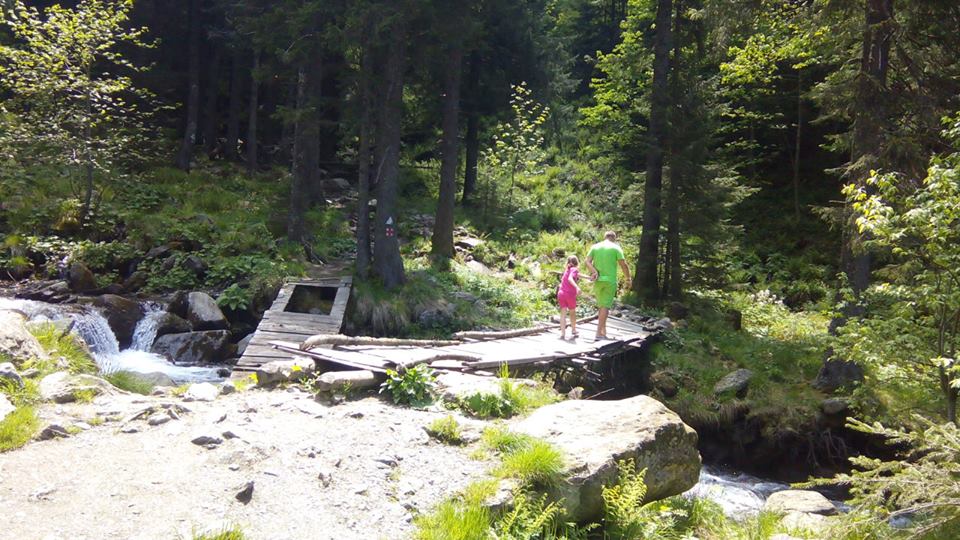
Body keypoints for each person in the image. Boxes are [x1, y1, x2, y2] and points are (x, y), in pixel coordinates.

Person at [586, 231, 631, 340]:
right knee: (605, 307)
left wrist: (594, 271)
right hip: (609, 281)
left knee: (602, 306)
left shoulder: (595, 247)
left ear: (604, 237)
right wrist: (628, 278)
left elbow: (587, 261)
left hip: (598, 281)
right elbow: (623, 265)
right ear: (614, 238)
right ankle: (598, 334)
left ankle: (603, 332)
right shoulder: (616, 248)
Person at [556, 255, 582, 339]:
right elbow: (571, 278)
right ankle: (573, 330)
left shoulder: (567, 269)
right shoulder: (574, 269)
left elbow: (577, 275)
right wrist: (577, 287)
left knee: (563, 314)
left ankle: (562, 334)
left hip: (561, 293)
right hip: (569, 294)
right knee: (572, 312)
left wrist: (588, 277)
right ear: (577, 262)